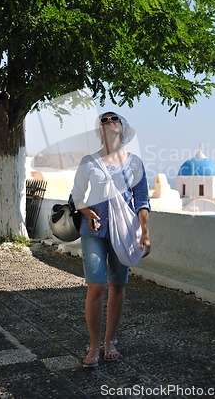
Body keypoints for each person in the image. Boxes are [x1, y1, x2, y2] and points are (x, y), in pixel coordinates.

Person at [71, 111, 151, 367]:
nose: (108, 123)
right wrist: (87, 211)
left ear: (123, 128)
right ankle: (93, 345)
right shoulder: (89, 162)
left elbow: (142, 201)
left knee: (118, 285)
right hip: (93, 230)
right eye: (103, 121)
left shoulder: (135, 163)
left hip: (125, 232)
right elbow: (77, 195)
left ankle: (110, 341)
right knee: (96, 287)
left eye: (113, 119)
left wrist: (145, 234)